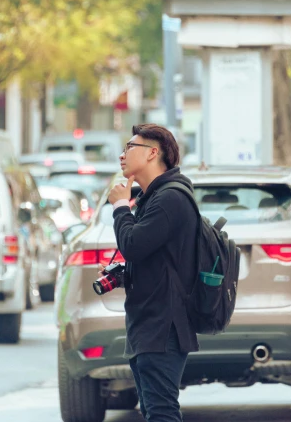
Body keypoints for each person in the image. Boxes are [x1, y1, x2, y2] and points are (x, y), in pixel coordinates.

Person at [106, 124, 199, 422]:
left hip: (162, 325)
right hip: (148, 323)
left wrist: (120, 206)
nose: (122, 155)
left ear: (152, 153)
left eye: (130, 147)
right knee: (152, 410)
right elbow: (156, 258)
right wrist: (121, 274)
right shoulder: (153, 197)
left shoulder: (171, 198)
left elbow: (132, 244)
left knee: (161, 411)